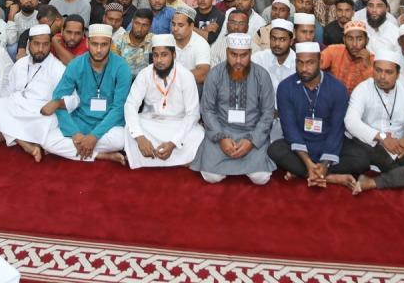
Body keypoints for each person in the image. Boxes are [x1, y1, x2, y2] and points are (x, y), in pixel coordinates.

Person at [342, 47, 404, 195]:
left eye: (388, 72)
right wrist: (381, 137)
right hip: (369, 144)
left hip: (397, 146)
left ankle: (372, 182)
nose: (382, 76)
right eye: (378, 70)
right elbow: (351, 122)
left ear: (398, 74)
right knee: (367, 158)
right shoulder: (363, 89)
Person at [39, 23, 131, 163]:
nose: (98, 50)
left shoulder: (122, 67)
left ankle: (80, 149)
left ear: (110, 44)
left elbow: (118, 108)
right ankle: (100, 155)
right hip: (80, 120)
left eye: (104, 44)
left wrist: (94, 136)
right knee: (47, 141)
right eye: (94, 44)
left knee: (120, 140)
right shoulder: (76, 64)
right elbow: (58, 98)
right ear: (87, 42)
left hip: (109, 124)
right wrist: (75, 133)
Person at [192, 32, 276, 185]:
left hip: (251, 133)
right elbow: (208, 110)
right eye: (233, 55)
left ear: (250, 53)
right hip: (221, 132)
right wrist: (222, 138)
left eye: (243, 55)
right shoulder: (215, 74)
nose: (238, 61)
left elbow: (267, 113)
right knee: (211, 177)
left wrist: (251, 141)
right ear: (226, 52)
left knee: (261, 178)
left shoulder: (262, 76)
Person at [268, 42, 354, 190]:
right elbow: (290, 129)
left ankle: (304, 172)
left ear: (320, 62)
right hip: (300, 145)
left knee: (361, 157)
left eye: (310, 63)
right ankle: (328, 177)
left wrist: (325, 163)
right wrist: (308, 162)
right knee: (274, 149)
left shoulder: (337, 88)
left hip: (327, 142)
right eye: (300, 63)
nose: (304, 68)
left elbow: (336, 129)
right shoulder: (285, 87)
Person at [0, 25, 68, 161]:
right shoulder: (20, 64)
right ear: (28, 44)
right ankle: (25, 143)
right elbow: (9, 90)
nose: (40, 49)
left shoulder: (58, 68)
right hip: (18, 106)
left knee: (50, 121)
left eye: (45, 44)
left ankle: (7, 133)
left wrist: (54, 105)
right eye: (36, 44)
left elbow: (68, 99)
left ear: (50, 45)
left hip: (39, 112)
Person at [123, 34, 204, 169]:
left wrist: (173, 143)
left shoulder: (186, 76)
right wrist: (140, 137)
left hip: (177, 123)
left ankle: (153, 158)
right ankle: (178, 160)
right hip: (151, 123)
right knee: (129, 130)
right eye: (155, 55)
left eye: (164, 55)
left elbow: (193, 114)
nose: (159, 60)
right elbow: (131, 104)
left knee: (198, 134)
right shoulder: (145, 74)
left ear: (174, 55)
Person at [319, 20, 373, 93]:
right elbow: (314, 64)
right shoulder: (335, 50)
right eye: (350, 39)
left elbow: (374, 89)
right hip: (334, 95)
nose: (354, 44)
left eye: (359, 39)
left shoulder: (373, 60)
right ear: (344, 40)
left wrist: (368, 66)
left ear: (367, 40)